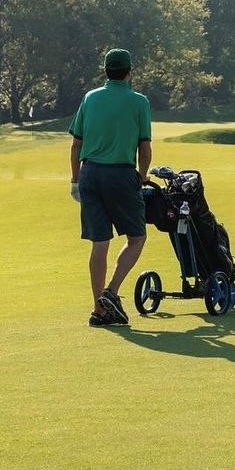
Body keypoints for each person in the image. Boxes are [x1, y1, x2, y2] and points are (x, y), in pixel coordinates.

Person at [69, 48, 153, 326]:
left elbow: (76, 143)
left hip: (89, 173)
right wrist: (142, 176)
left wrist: (75, 180)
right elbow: (144, 147)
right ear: (129, 72)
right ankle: (111, 292)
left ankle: (99, 311)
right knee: (136, 237)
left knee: (100, 243)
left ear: (105, 71)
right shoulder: (139, 101)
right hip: (120, 175)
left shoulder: (90, 98)